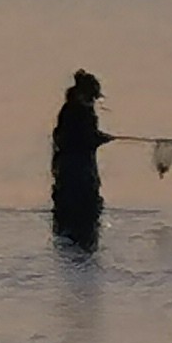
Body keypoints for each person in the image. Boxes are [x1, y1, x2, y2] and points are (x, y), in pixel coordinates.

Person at [51, 70, 114, 244]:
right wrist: (99, 138)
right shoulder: (78, 112)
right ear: (82, 94)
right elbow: (81, 139)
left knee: (71, 212)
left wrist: (98, 137)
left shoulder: (70, 110)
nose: (93, 101)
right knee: (84, 208)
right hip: (76, 168)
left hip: (68, 167)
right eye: (92, 97)